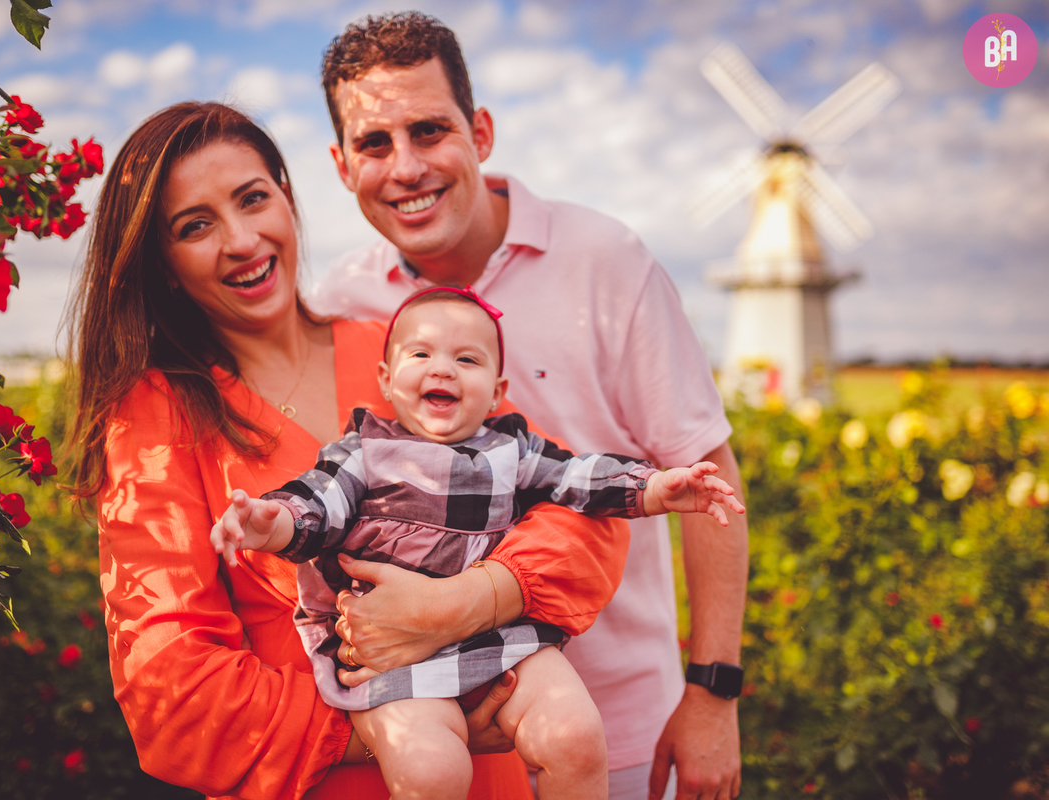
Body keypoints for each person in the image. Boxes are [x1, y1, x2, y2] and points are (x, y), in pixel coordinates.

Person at [65, 101, 632, 800]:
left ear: (286, 197)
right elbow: (171, 691)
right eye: (195, 226)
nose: (241, 240)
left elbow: (582, 513)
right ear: (165, 265)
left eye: (253, 198)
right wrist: (414, 720)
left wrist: (466, 603)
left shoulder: (403, 351)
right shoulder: (155, 415)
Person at [310, 12, 750, 800]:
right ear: (343, 166)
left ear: (480, 132)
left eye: (429, 130)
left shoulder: (606, 263)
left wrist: (713, 693)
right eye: (375, 143)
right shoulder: (344, 297)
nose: (405, 167)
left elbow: (706, 471)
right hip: (440, 732)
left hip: (614, 731)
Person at [212, 287, 745, 800]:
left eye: (467, 359)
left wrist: (655, 487)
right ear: (387, 379)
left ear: (495, 391)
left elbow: (579, 477)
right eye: (421, 354)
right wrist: (269, 523)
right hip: (390, 654)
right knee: (433, 772)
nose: (442, 368)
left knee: (577, 738)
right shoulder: (363, 451)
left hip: (495, 636)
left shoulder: (511, 449)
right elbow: (317, 504)